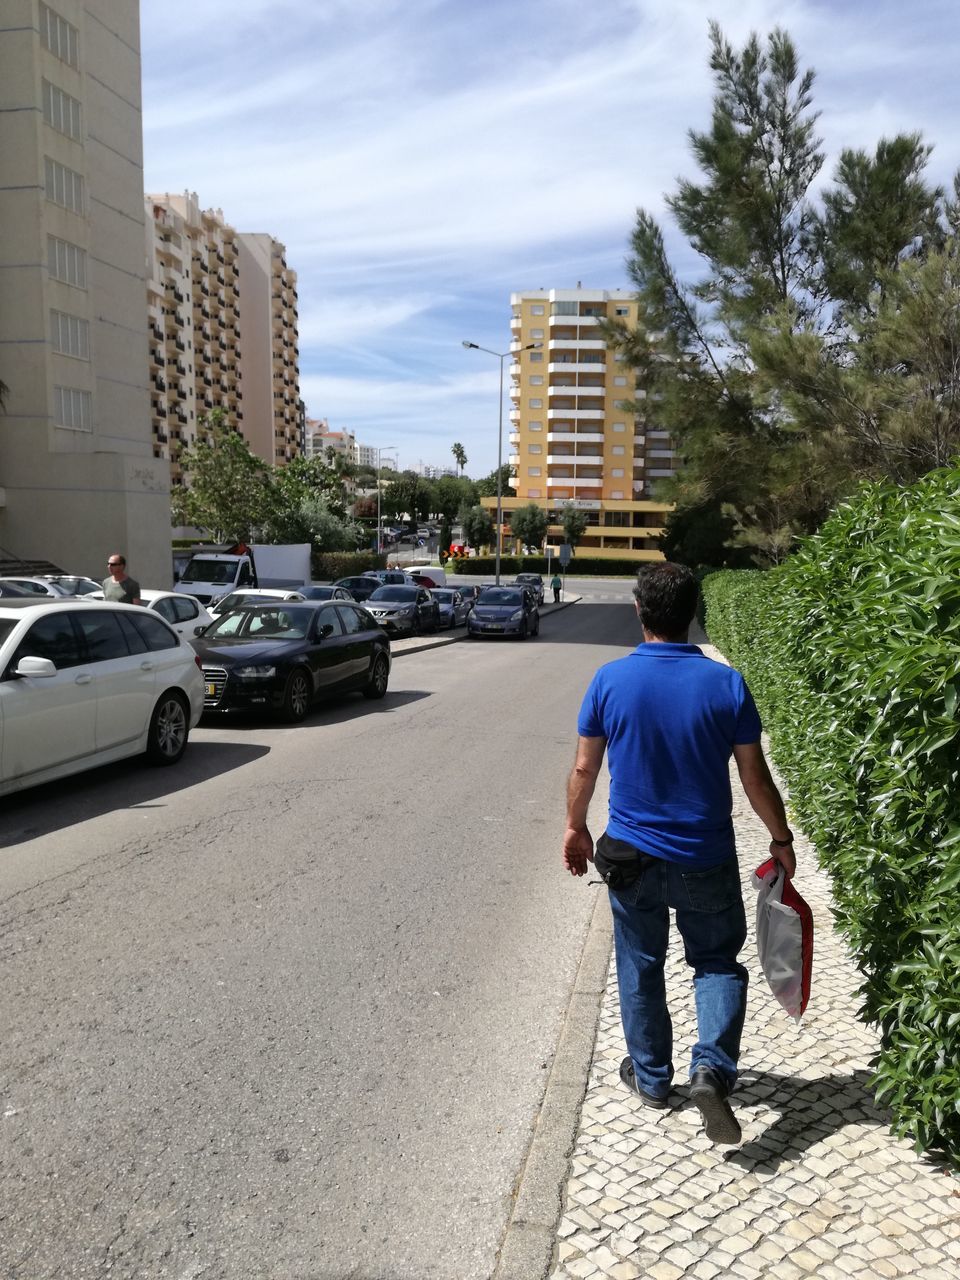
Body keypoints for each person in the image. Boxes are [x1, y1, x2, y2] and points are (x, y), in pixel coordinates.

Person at [563, 562, 795, 1145]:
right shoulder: (726, 684)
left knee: (640, 963)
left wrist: (574, 828)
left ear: (639, 610)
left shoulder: (609, 680)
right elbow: (754, 776)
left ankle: (650, 1078)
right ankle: (711, 1069)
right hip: (704, 857)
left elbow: (585, 767)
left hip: (630, 857)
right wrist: (781, 838)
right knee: (715, 962)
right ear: (694, 613)